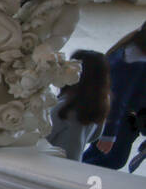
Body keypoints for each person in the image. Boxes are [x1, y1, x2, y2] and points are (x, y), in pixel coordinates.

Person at [83, 23, 146, 173]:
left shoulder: (132, 50)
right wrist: (108, 134)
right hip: (121, 122)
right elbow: (116, 100)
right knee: (113, 159)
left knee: (101, 155)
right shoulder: (134, 62)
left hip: (125, 119)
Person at [46, 50, 109, 161]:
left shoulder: (64, 108)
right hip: (74, 162)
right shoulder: (100, 104)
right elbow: (95, 136)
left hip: (50, 163)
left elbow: (43, 136)